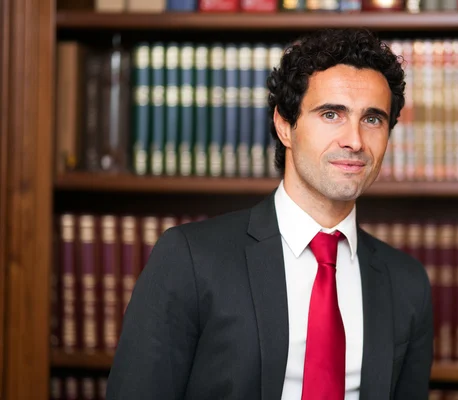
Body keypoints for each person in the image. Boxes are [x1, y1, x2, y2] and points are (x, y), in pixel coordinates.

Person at [106, 27, 433, 400]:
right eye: (331, 114)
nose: (354, 140)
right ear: (284, 126)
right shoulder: (190, 259)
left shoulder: (407, 285)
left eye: (372, 119)